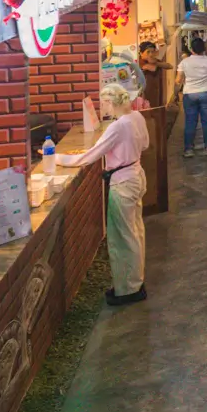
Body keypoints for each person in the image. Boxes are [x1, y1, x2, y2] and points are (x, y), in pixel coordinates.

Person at [57, 83, 150, 305]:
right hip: (136, 175)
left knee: (122, 237)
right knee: (135, 232)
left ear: (110, 102)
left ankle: (128, 290)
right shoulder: (137, 117)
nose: (102, 108)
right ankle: (135, 281)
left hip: (122, 182)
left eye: (103, 103)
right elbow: (145, 144)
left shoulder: (117, 127)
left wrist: (57, 158)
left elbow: (90, 156)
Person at [177, 37, 207, 158]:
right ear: (204, 49)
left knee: (190, 122)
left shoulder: (184, 62)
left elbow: (178, 80)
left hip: (190, 94)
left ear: (191, 49)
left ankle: (188, 149)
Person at [138, 41, 172, 109]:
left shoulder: (155, 61)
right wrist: (154, 62)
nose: (151, 54)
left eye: (153, 52)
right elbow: (152, 68)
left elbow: (169, 66)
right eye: (148, 52)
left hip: (157, 96)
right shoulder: (140, 62)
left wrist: (156, 62)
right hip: (145, 98)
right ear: (141, 53)